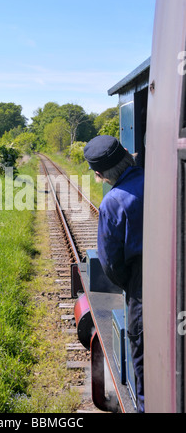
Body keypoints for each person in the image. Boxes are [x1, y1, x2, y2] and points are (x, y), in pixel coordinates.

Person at [83, 135, 144, 413]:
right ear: (128, 156)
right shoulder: (162, 179)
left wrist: (130, 285)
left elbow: (110, 264)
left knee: (143, 359)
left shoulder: (114, 201)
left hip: (143, 288)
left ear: (99, 175)